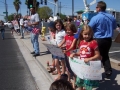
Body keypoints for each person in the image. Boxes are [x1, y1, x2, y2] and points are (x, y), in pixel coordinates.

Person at [88, 1, 117, 77]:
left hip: (99, 39)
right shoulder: (111, 17)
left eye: (96, 7)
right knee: (105, 54)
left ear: (99, 8)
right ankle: (108, 71)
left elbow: (89, 28)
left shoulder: (95, 18)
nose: (96, 9)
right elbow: (114, 27)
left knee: (96, 55)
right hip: (108, 40)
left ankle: (95, 72)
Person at [70, 25, 101, 90]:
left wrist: (89, 59)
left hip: (89, 67)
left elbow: (98, 55)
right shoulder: (81, 42)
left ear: (91, 34)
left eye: (89, 34)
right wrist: (75, 54)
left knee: (87, 84)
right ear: (82, 33)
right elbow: (81, 53)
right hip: (81, 66)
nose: (87, 36)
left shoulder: (93, 42)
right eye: (85, 34)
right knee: (79, 81)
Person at [58, 23, 77, 89]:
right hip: (67, 54)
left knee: (73, 70)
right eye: (67, 30)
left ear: (73, 30)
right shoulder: (66, 36)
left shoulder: (75, 37)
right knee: (68, 69)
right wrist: (56, 47)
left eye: (69, 30)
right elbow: (62, 43)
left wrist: (66, 50)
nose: (68, 31)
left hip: (72, 55)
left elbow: (72, 46)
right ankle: (68, 81)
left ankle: (74, 84)